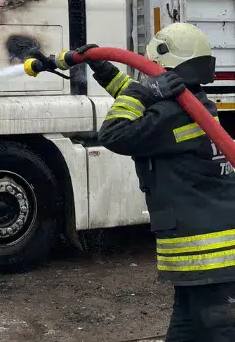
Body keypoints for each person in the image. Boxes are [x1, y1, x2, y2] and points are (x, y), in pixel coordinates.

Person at [48, 24, 235, 341]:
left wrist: (143, 91)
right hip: (202, 267)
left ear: (164, 68)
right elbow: (146, 103)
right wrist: (104, 70)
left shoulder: (171, 117)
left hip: (210, 264)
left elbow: (115, 132)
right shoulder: (195, 106)